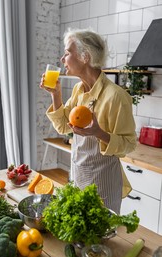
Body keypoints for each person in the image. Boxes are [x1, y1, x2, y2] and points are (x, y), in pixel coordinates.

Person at [40, 28, 137, 214]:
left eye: (67, 53)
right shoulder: (78, 90)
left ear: (85, 57)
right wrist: (56, 94)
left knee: (100, 239)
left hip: (104, 183)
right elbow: (62, 127)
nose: (62, 59)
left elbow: (129, 145)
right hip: (78, 176)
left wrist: (99, 133)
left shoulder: (116, 97)